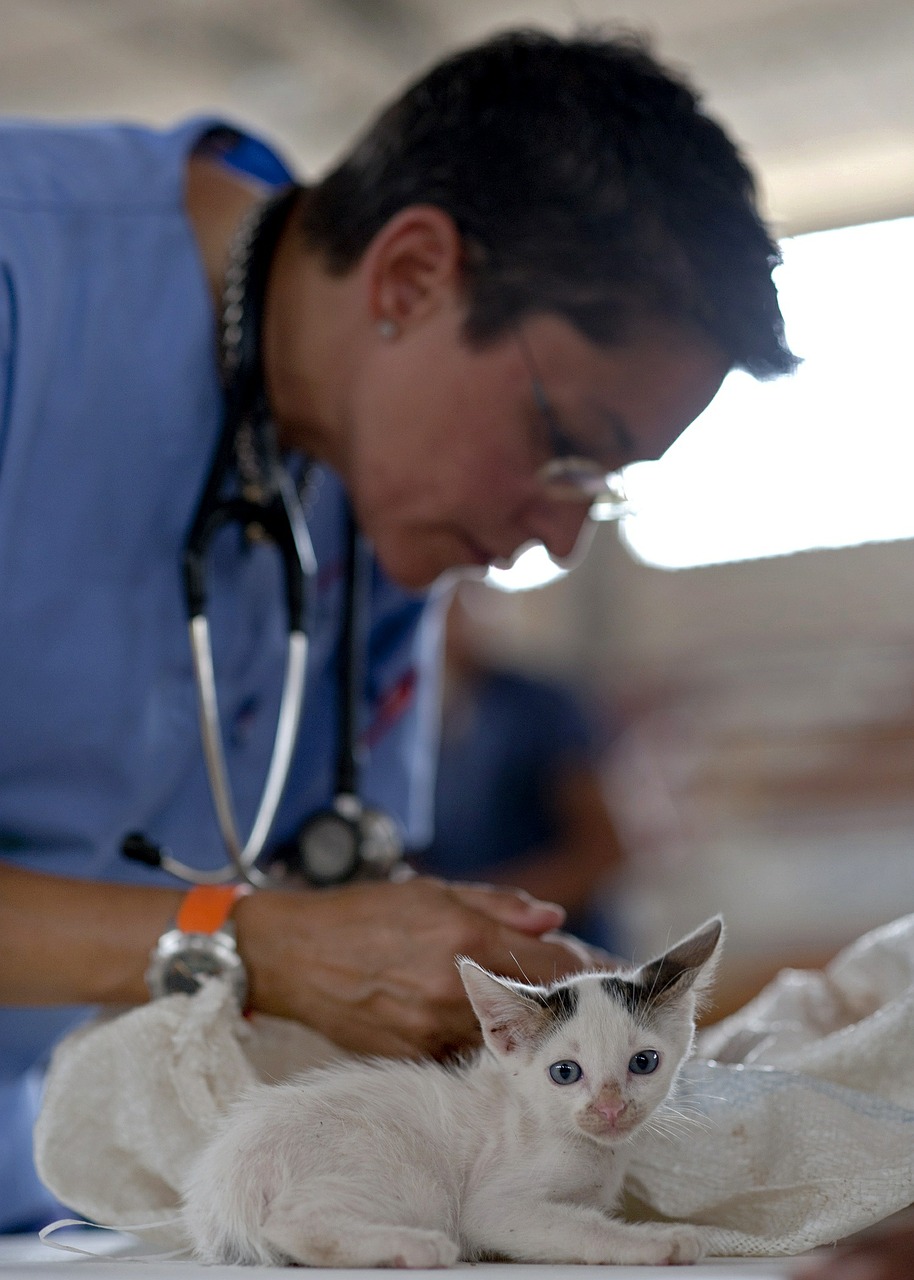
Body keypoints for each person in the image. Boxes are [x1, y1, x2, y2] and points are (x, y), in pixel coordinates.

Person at [0, 27, 796, 1231]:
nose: (560, 536)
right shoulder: (27, 283)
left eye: (602, 489)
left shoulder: (381, 504)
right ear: (410, 276)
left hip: (77, 1191)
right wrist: (242, 942)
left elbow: (332, 868)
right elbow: (261, 926)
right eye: (565, 451)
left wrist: (451, 967)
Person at [412, 583, 627, 950]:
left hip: (563, 950)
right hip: (471, 953)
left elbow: (600, 852)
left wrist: (485, 910)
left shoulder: (540, 708)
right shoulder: (409, 720)